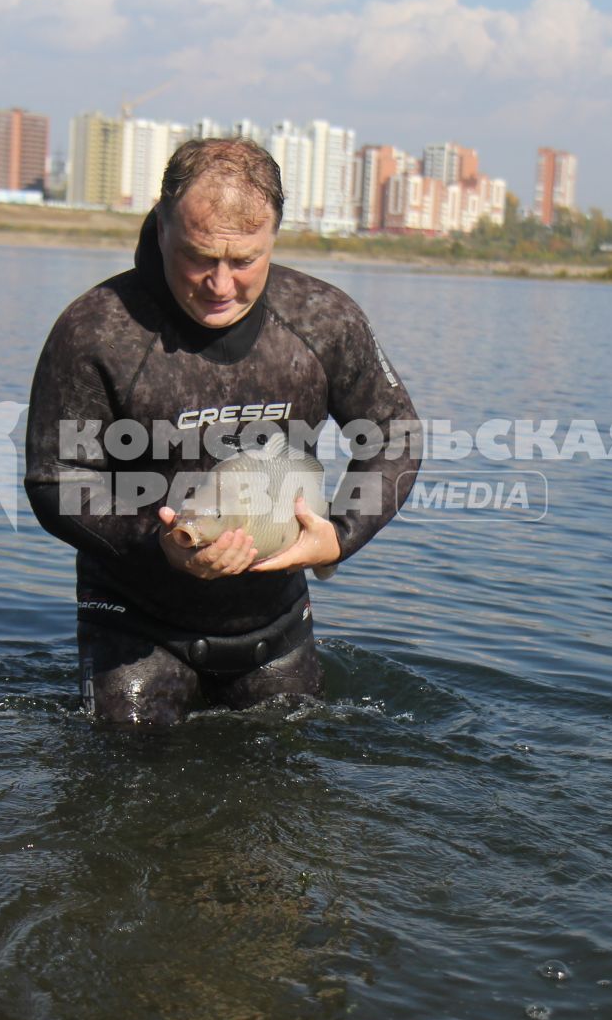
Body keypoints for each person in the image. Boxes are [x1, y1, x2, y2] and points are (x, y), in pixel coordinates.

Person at [25, 138, 420, 725]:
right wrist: (159, 545)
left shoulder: (322, 318)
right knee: (123, 802)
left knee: (285, 803)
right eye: (198, 256)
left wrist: (340, 535)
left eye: (244, 261)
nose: (220, 284)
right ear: (161, 227)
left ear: (274, 237)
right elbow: (55, 478)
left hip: (276, 631)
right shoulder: (96, 331)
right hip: (133, 628)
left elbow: (394, 434)